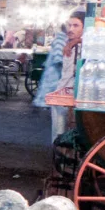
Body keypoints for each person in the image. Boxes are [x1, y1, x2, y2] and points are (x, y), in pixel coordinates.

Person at [35, 10, 86, 142]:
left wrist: (77, 41)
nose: (71, 29)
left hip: (70, 94)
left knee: (64, 130)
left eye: (76, 26)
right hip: (61, 92)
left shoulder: (81, 46)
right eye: (69, 25)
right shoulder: (66, 43)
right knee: (59, 130)